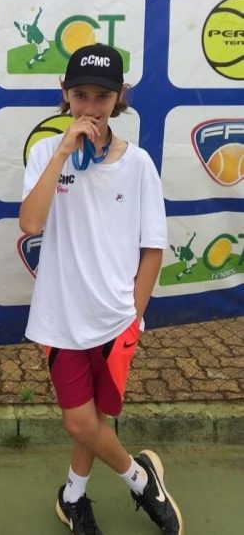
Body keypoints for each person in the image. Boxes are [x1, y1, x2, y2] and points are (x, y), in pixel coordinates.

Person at [19, 43, 183, 535]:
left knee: (93, 417)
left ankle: (72, 496)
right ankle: (141, 479)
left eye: (102, 97)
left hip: (116, 317)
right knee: (79, 421)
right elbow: (30, 223)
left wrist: (133, 314)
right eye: (81, 96)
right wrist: (63, 151)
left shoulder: (139, 164)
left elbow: (152, 248)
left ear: (120, 97)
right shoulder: (46, 153)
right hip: (60, 317)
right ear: (64, 94)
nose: (91, 108)